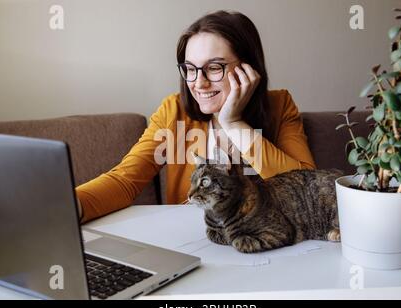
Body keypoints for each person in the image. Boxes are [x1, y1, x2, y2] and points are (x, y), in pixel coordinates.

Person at [76, 10, 316, 223]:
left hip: (267, 241)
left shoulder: (280, 105)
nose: (199, 83)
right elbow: (124, 181)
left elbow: (307, 192)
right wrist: (66, 205)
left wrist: (233, 123)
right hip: (194, 244)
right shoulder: (174, 111)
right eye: (190, 69)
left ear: (248, 69)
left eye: (214, 68)